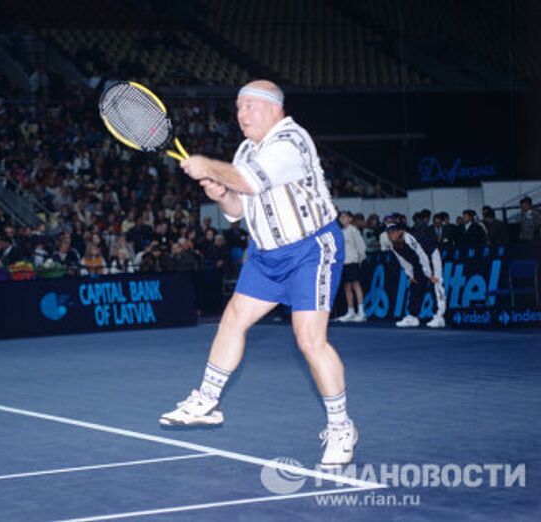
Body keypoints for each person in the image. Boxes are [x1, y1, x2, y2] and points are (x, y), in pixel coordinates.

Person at [160, 80, 356, 466]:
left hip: (310, 250)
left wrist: (207, 166)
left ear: (275, 109)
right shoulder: (247, 149)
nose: (241, 115)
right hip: (266, 255)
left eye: (249, 106)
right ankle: (207, 401)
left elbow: (249, 180)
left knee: (309, 340)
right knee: (232, 319)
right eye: (238, 108)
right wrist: (222, 195)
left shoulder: (291, 141)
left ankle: (340, 427)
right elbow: (240, 208)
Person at [382, 222, 441, 328]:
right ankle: (413, 317)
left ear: (400, 231)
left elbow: (423, 256)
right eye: (389, 233)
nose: (391, 235)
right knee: (415, 285)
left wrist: (429, 274)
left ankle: (439, 316)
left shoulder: (410, 239)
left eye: (393, 232)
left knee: (435, 285)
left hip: (431, 256)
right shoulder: (392, 245)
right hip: (417, 262)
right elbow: (403, 261)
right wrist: (410, 274)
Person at [335, 211, 367, 322]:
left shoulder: (353, 230)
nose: (343, 219)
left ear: (350, 218)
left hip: (353, 261)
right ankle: (351, 311)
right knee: (346, 286)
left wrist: (360, 259)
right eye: (341, 217)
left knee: (356, 285)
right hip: (342, 263)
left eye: (345, 217)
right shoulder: (339, 231)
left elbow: (361, 246)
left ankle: (361, 312)